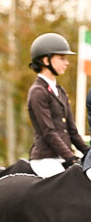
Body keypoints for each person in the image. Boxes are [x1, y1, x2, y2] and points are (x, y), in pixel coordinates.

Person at [27, 32, 88, 178]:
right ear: (46, 60)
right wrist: (71, 158)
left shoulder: (60, 91)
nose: (66, 63)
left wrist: (88, 153)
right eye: (61, 58)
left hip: (62, 158)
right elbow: (49, 132)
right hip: (46, 160)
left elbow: (72, 132)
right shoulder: (38, 92)